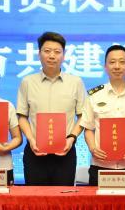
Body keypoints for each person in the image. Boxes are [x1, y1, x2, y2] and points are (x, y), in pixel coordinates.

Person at [16, 31, 85, 185]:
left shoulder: (76, 82)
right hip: (35, 151)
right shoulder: (27, 82)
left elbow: (83, 116)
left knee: (63, 197)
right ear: (39, 54)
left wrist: (71, 138)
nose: (52, 56)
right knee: (35, 198)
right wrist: (31, 139)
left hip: (65, 152)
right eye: (47, 51)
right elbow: (22, 116)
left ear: (64, 55)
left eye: (57, 52)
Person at [80, 44, 125, 186]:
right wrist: (93, 148)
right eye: (112, 62)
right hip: (100, 165)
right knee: (97, 202)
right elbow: (88, 128)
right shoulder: (94, 96)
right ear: (105, 67)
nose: (117, 66)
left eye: (122, 62)